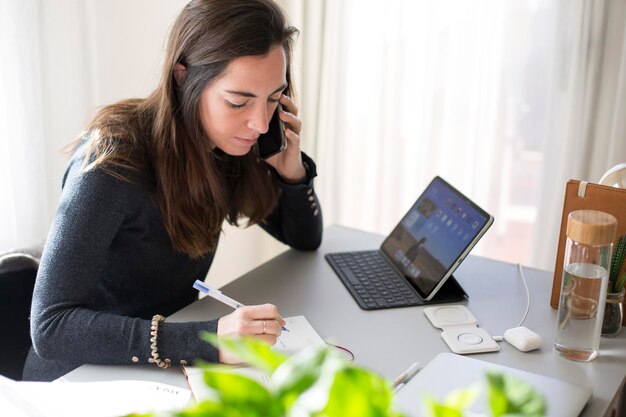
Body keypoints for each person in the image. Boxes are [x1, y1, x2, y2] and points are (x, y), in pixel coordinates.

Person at [23, 0, 322, 381]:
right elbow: (51, 328)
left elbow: (305, 239)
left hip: (165, 369)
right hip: (79, 376)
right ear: (184, 77)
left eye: (273, 98)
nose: (261, 124)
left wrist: (291, 174)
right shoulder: (113, 160)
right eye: (238, 101)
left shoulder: (231, 145)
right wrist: (210, 340)